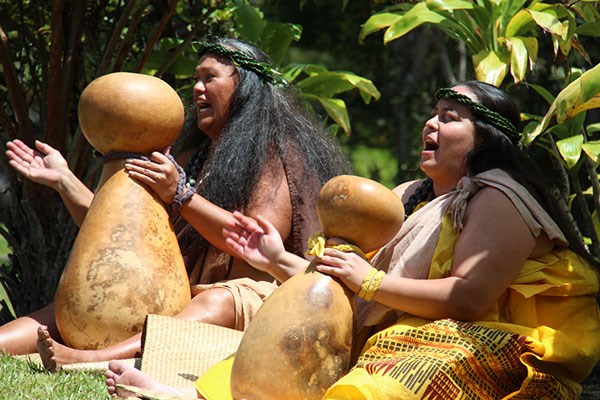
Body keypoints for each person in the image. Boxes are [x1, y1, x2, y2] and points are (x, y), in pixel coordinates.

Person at [105, 81, 600, 399]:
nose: (432, 122)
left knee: (383, 384)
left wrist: (369, 283)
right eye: (433, 112)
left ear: (489, 137)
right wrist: (278, 259)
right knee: (282, 345)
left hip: (484, 342)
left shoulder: (498, 195)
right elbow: (352, 284)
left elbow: (467, 298)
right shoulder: (409, 195)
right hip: (397, 328)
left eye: (451, 117)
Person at [1, 37, 351, 370]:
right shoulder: (189, 160)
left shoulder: (274, 155)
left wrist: (182, 196)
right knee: (68, 311)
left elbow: (254, 241)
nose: (197, 89)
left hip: (248, 301)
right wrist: (64, 180)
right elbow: (116, 238)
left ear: (245, 88)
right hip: (178, 292)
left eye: (209, 78)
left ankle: (91, 360)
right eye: (195, 80)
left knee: (215, 301)